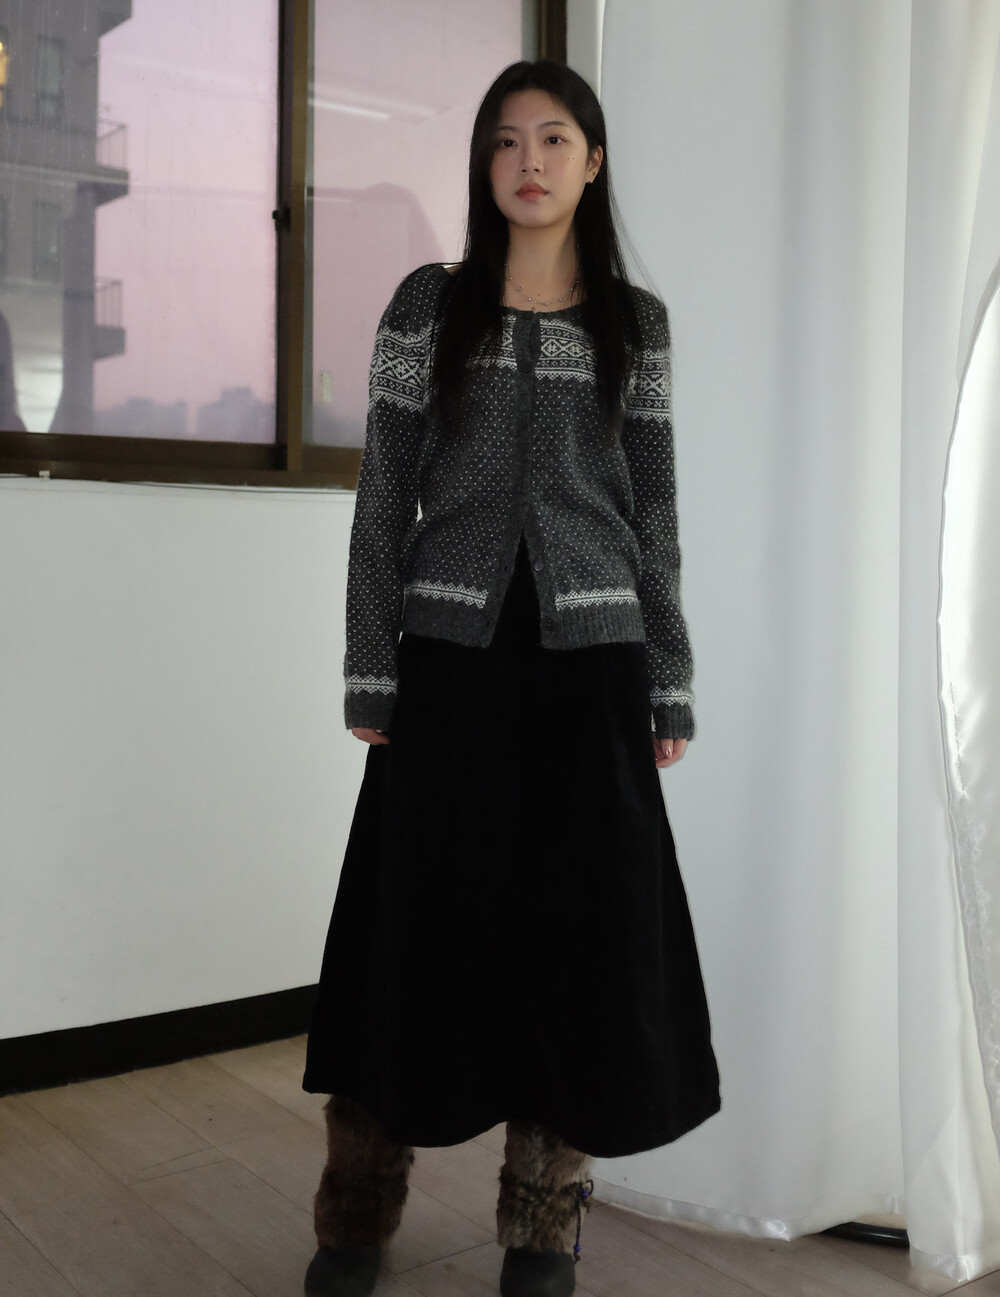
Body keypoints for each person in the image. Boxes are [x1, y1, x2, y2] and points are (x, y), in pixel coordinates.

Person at [301, 59, 721, 1297]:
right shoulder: (428, 306)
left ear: (593, 162)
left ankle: (542, 1231)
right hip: (451, 666)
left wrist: (670, 679)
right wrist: (370, 665)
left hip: (594, 673)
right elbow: (384, 492)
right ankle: (354, 1218)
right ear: (484, 164)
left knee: (577, 958)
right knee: (407, 943)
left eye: (552, 139)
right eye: (503, 141)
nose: (527, 161)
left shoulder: (636, 325)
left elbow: (655, 513)